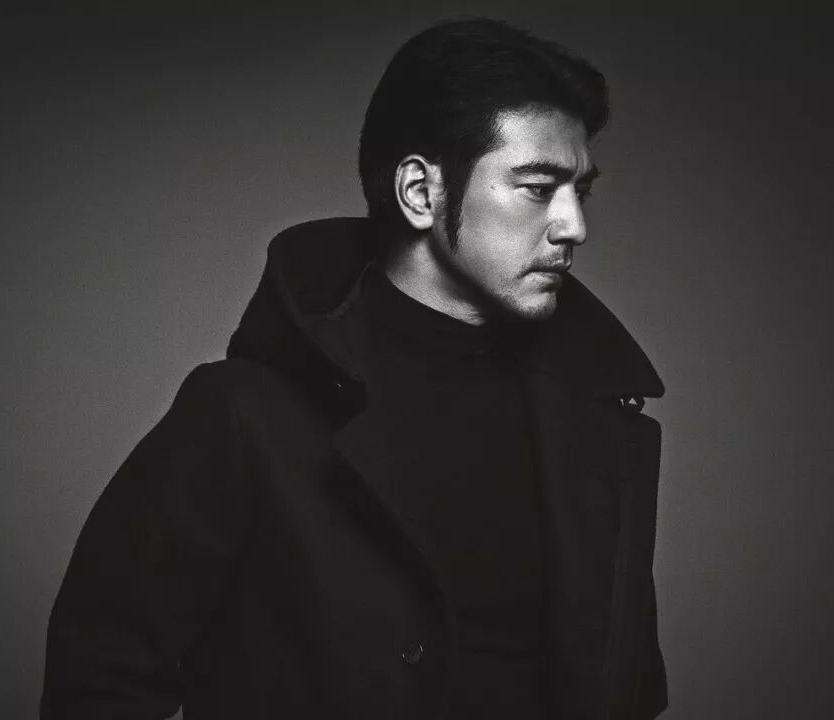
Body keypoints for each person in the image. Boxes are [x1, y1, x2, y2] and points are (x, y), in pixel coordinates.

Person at [42, 17, 668, 720]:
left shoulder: (596, 424)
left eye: (581, 191)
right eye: (537, 186)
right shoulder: (244, 417)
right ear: (420, 192)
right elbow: (101, 682)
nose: (574, 225)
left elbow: (624, 689)